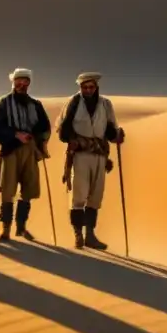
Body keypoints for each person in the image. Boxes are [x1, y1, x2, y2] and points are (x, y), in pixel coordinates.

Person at [56, 71, 124, 249]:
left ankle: (90, 235)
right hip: (80, 156)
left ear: (96, 87)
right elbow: (62, 130)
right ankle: (78, 235)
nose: (88, 90)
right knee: (78, 196)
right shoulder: (73, 103)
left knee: (95, 196)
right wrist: (72, 140)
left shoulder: (105, 104)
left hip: (100, 156)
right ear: (80, 87)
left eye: (91, 87)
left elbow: (110, 130)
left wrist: (117, 135)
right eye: (84, 87)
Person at [0, 67, 51, 242]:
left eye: (25, 81)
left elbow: (45, 127)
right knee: (7, 190)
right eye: (19, 81)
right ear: (13, 82)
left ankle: (21, 227)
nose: (22, 84)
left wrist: (39, 139)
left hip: (30, 151)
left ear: (29, 83)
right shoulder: (4, 103)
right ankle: (5, 228)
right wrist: (16, 134)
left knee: (28, 190)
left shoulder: (36, 105)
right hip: (10, 151)